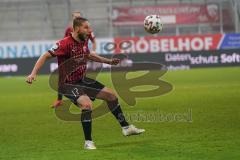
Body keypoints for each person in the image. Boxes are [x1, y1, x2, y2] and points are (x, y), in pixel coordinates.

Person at [26, 17, 145, 150]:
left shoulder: (84, 39)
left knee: (112, 96)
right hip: (68, 84)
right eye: (86, 27)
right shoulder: (64, 44)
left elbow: (88, 55)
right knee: (87, 104)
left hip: (81, 79)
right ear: (77, 29)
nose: (90, 30)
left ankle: (126, 128)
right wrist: (33, 73)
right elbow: (45, 56)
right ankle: (88, 142)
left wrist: (108, 61)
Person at [53, 11, 97, 108]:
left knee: (80, 74)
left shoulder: (86, 29)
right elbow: (65, 41)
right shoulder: (69, 29)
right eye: (75, 17)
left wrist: (93, 51)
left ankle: (83, 93)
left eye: (78, 17)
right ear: (72, 18)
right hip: (69, 56)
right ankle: (60, 99)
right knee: (62, 76)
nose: (76, 18)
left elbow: (93, 41)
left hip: (81, 54)